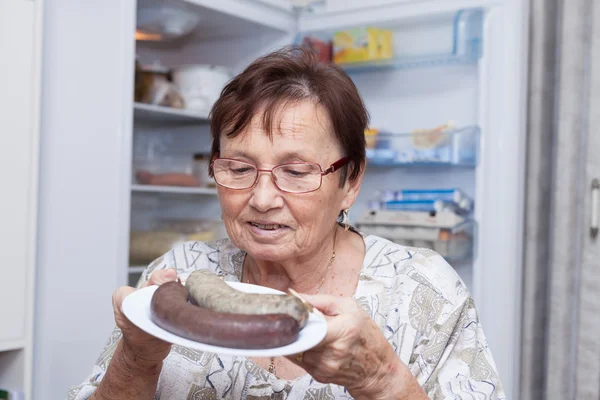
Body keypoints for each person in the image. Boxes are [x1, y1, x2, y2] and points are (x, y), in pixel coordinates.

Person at [67, 47, 505, 400]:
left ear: (350, 182)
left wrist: (383, 379)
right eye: (238, 169)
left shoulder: (424, 291)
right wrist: (137, 358)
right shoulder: (178, 272)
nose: (261, 199)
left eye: (296, 173)